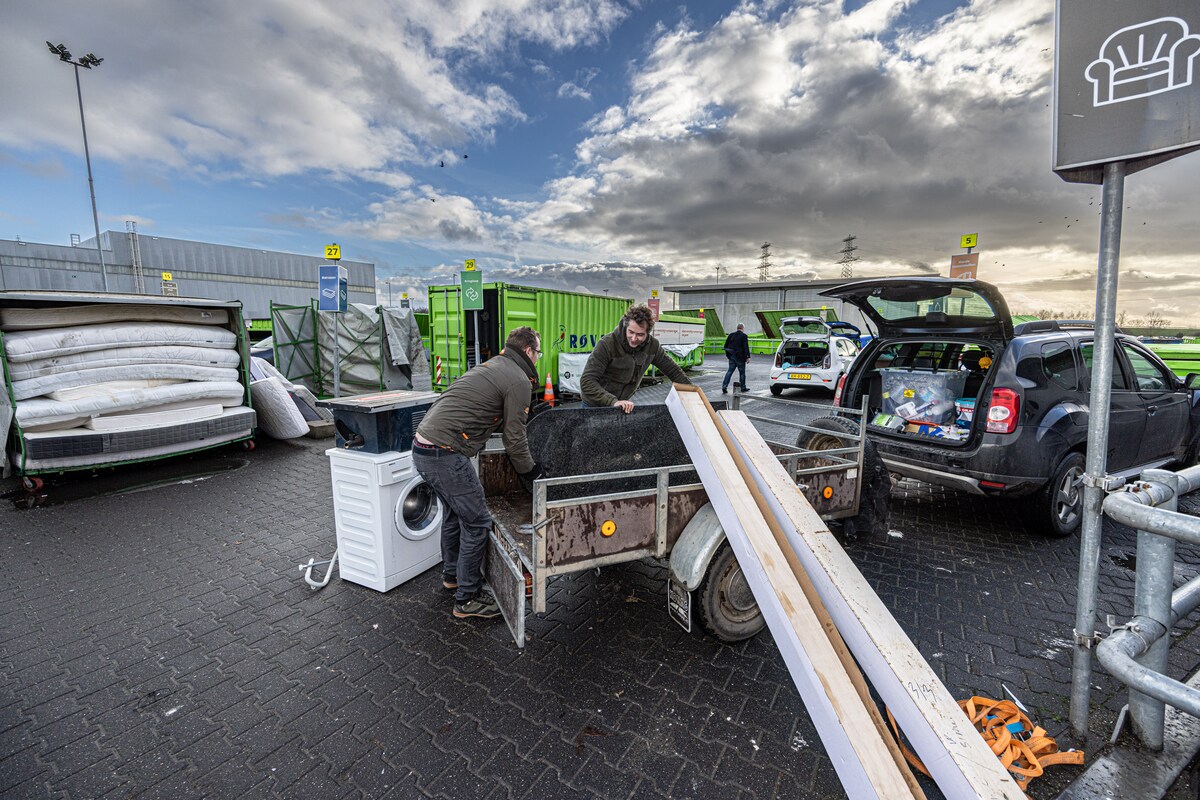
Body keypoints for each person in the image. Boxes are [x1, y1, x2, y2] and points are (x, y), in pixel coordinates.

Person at [412, 326, 542, 620]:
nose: (538, 358)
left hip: (423, 447)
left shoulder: (493, 366)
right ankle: (467, 599)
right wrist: (530, 471)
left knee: (455, 515)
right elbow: (514, 437)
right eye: (538, 352)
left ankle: (453, 576)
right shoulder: (519, 380)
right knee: (478, 522)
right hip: (444, 454)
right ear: (528, 351)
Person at [580, 304, 691, 413]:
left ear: (648, 333)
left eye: (640, 334)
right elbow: (587, 381)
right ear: (625, 326)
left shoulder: (653, 346)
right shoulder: (607, 344)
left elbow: (673, 371)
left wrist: (693, 394)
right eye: (631, 332)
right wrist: (613, 402)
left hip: (623, 405)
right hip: (594, 406)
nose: (634, 339)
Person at [721, 323, 751, 394]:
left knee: (729, 371)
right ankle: (743, 387)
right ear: (743, 328)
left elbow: (726, 346)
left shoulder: (731, 335)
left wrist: (728, 356)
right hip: (740, 358)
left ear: (737, 328)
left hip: (732, 356)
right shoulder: (744, 336)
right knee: (742, 373)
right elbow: (745, 347)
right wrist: (748, 357)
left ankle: (724, 386)